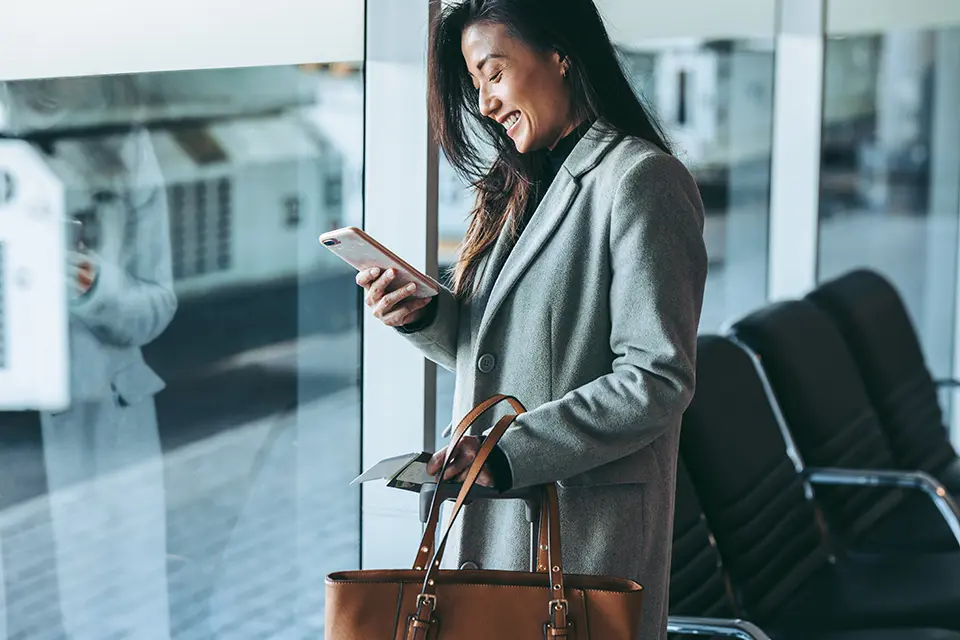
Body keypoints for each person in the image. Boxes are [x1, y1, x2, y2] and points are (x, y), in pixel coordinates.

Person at [357, 0, 707, 637]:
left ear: (560, 54)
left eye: (492, 73)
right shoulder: (516, 184)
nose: (484, 103)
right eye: (474, 85)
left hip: (582, 536)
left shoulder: (641, 181)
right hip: (495, 525)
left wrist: (507, 453)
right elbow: (507, 349)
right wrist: (426, 316)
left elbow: (656, 378)